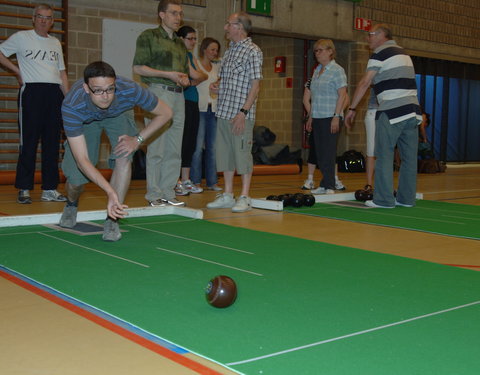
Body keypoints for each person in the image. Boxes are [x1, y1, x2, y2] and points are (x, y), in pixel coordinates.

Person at [60, 61, 172, 241]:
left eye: (110, 89)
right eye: (97, 90)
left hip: (119, 114)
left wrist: (137, 140)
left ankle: (112, 218)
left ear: (115, 85)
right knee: (75, 180)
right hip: (87, 121)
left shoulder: (129, 89)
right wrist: (109, 191)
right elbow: (82, 160)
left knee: (124, 155)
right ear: (86, 88)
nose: (105, 96)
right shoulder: (73, 105)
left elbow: (166, 113)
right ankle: (71, 204)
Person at [345, 23, 422, 208]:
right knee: (409, 158)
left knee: (384, 155)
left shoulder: (380, 53)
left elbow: (365, 82)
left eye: (370, 34)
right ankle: (406, 199)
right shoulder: (403, 53)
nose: (367, 38)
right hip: (412, 111)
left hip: (392, 111)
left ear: (381, 35)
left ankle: (384, 200)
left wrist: (352, 108)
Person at [133, 0, 201, 207]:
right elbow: (138, 68)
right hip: (158, 92)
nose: (178, 17)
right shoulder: (149, 36)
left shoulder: (180, 44)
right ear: (161, 15)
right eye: (173, 13)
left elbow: (185, 75)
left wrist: (183, 80)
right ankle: (153, 194)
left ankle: (168, 192)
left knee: (174, 148)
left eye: (180, 13)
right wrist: (168, 74)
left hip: (178, 95)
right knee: (157, 147)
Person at [0, 3, 68, 204]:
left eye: (47, 17)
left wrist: (68, 98)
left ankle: (49, 188)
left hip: (54, 94)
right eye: (40, 16)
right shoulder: (22, 37)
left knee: (52, 144)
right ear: (33, 18)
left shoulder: (55, 43)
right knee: (28, 142)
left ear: (52, 21)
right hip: (31, 93)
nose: (43, 20)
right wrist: (17, 70)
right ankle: (24, 188)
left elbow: (62, 72)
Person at [206, 11, 263, 213]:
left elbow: (255, 86)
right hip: (223, 112)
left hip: (241, 114)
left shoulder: (253, 51)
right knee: (225, 155)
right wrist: (216, 87)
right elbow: (226, 82)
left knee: (242, 155)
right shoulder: (229, 52)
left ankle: (245, 196)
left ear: (239, 27)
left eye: (228, 24)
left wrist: (243, 112)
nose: (225, 28)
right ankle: (228, 194)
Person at [303, 39, 347, 195]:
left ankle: (330, 185)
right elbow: (314, 96)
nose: (318, 53)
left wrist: (336, 116)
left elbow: (342, 95)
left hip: (331, 116)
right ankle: (324, 183)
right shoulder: (317, 71)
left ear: (330, 51)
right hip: (318, 116)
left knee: (328, 151)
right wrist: (310, 117)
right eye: (316, 51)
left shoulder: (337, 70)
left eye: (321, 50)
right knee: (320, 152)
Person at [174, 25, 207, 196]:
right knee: (181, 140)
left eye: (195, 39)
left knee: (191, 143)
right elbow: (196, 75)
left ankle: (186, 179)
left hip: (193, 102)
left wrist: (194, 79)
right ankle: (176, 180)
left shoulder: (191, 56)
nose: (193, 42)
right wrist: (195, 77)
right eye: (190, 38)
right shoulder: (179, 55)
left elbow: (203, 75)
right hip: (182, 102)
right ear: (181, 39)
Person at [301, 77, 346, 191]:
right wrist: (312, 115)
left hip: (332, 118)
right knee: (316, 148)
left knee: (331, 150)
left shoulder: (335, 77)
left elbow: (345, 98)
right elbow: (306, 100)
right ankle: (311, 179)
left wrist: (338, 112)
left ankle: (333, 179)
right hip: (317, 118)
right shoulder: (312, 80)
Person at [190, 37, 222, 192]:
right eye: (212, 49)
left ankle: (212, 182)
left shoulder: (216, 68)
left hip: (213, 110)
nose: (215, 53)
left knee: (213, 148)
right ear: (204, 49)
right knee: (197, 147)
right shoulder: (195, 65)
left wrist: (218, 85)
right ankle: (195, 181)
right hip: (200, 109)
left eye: (216, 50)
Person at [362, 89, 378, 193]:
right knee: (371, 150)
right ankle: (369, 184)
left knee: (385, 149)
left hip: (388, 113)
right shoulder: (374, 73)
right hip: (373, 111)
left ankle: (383, 183)